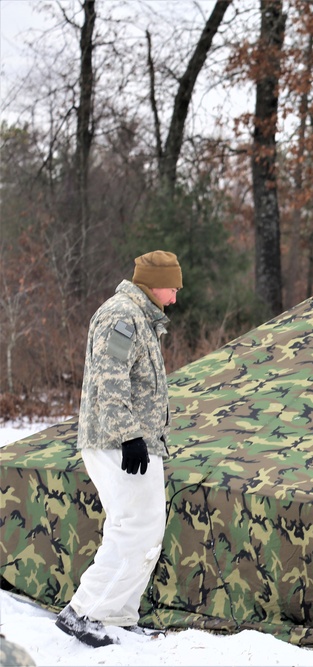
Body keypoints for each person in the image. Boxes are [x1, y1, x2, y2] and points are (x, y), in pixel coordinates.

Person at [55, 251, 182, 647]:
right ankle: (83, 612)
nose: (176, 295)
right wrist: (129, 436)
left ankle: (117, 615)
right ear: (152, 282)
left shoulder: (140, 317)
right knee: (134, 528)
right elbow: (109, 380)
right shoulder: (122, 316)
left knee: (143, 530)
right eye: (173, 286)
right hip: (120, 442)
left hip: (136, 442)